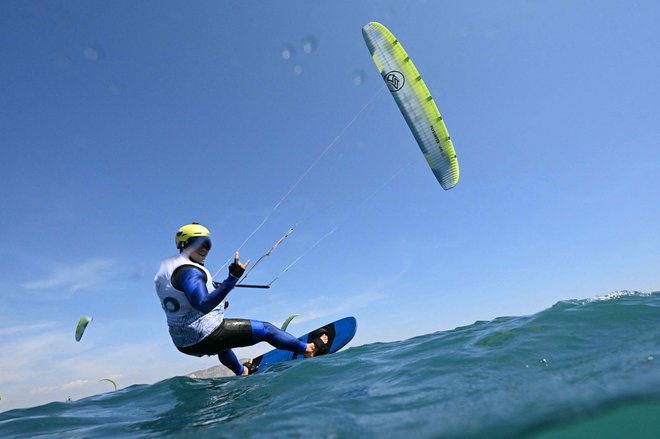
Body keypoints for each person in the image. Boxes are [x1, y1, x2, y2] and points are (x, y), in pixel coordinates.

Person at [154, 223, 327, 376]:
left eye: (207, 243)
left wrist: (219, 299)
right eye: (196, 243)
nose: (203, 248)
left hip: (184, 344)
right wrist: (232, 278)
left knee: (223, 343)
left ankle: (241, 371)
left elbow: (186, 302)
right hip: (205, 335)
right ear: (183, 245)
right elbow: (202, 304)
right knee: (266, 329)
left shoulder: (167, 273)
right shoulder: (189, 272)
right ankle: (308, 349)